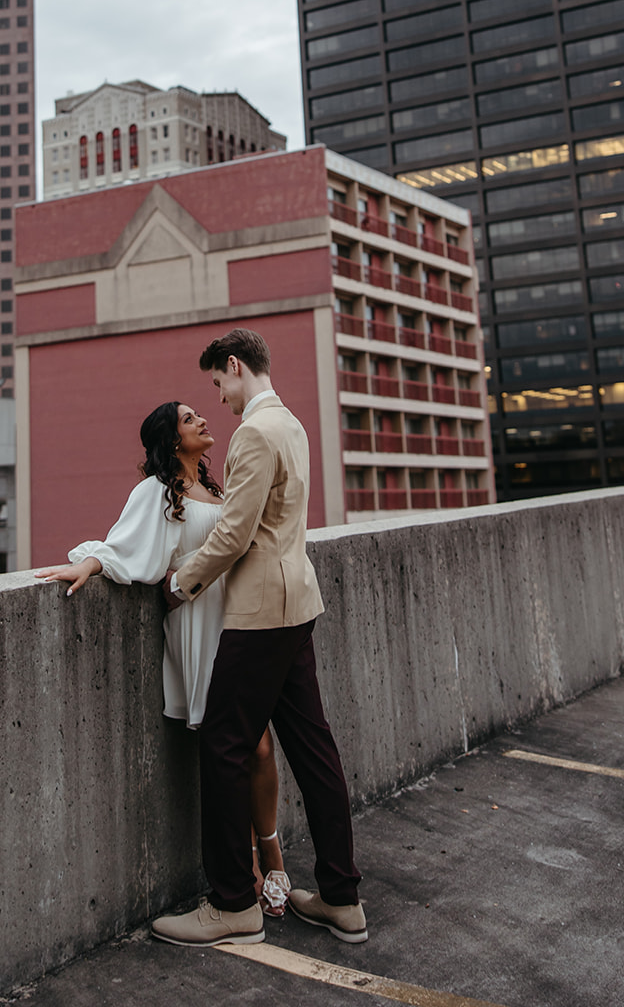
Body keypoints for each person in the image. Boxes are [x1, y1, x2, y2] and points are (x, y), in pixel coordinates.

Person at [33, 399, 291, 918]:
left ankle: (269, 852)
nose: (202, 420)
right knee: (241, 749)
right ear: (173, 441)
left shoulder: (217, 490)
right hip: (198, 625)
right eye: (189, 418)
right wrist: (91, 562)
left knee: (259, 749)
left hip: (239, 619)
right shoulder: (156, 492)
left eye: (199, 413)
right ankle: (253, 869)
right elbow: (125, 545)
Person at [150, 327, 364, 950]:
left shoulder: (253, 433)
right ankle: (342, 897)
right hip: (298, 603)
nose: (218, 398)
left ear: (235, 366)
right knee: (313, 748)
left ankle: (232, 904)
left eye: (218, 383)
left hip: (261, 613)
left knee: (222, 744)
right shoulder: (291, 424)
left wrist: (179, 584)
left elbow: (234, 534)